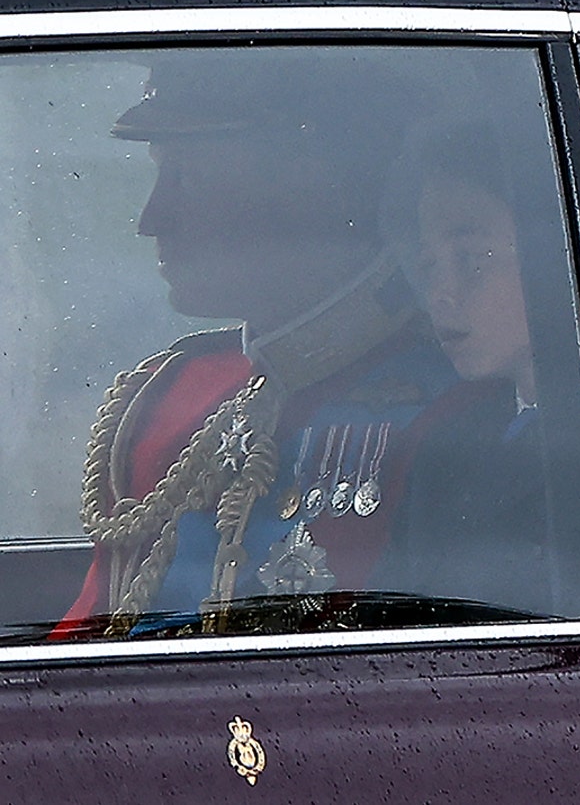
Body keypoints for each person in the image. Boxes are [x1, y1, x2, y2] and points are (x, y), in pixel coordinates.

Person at [52, 54, 461, 638]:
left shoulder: (453, 415)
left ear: (312, 189)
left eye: (188, 179)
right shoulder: (176, 397)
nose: (151, 218)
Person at [369, 120, 569, 614]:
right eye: (430, 265)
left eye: (472, 259)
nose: (441, 294)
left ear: (557, 254)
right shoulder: (446, 445)